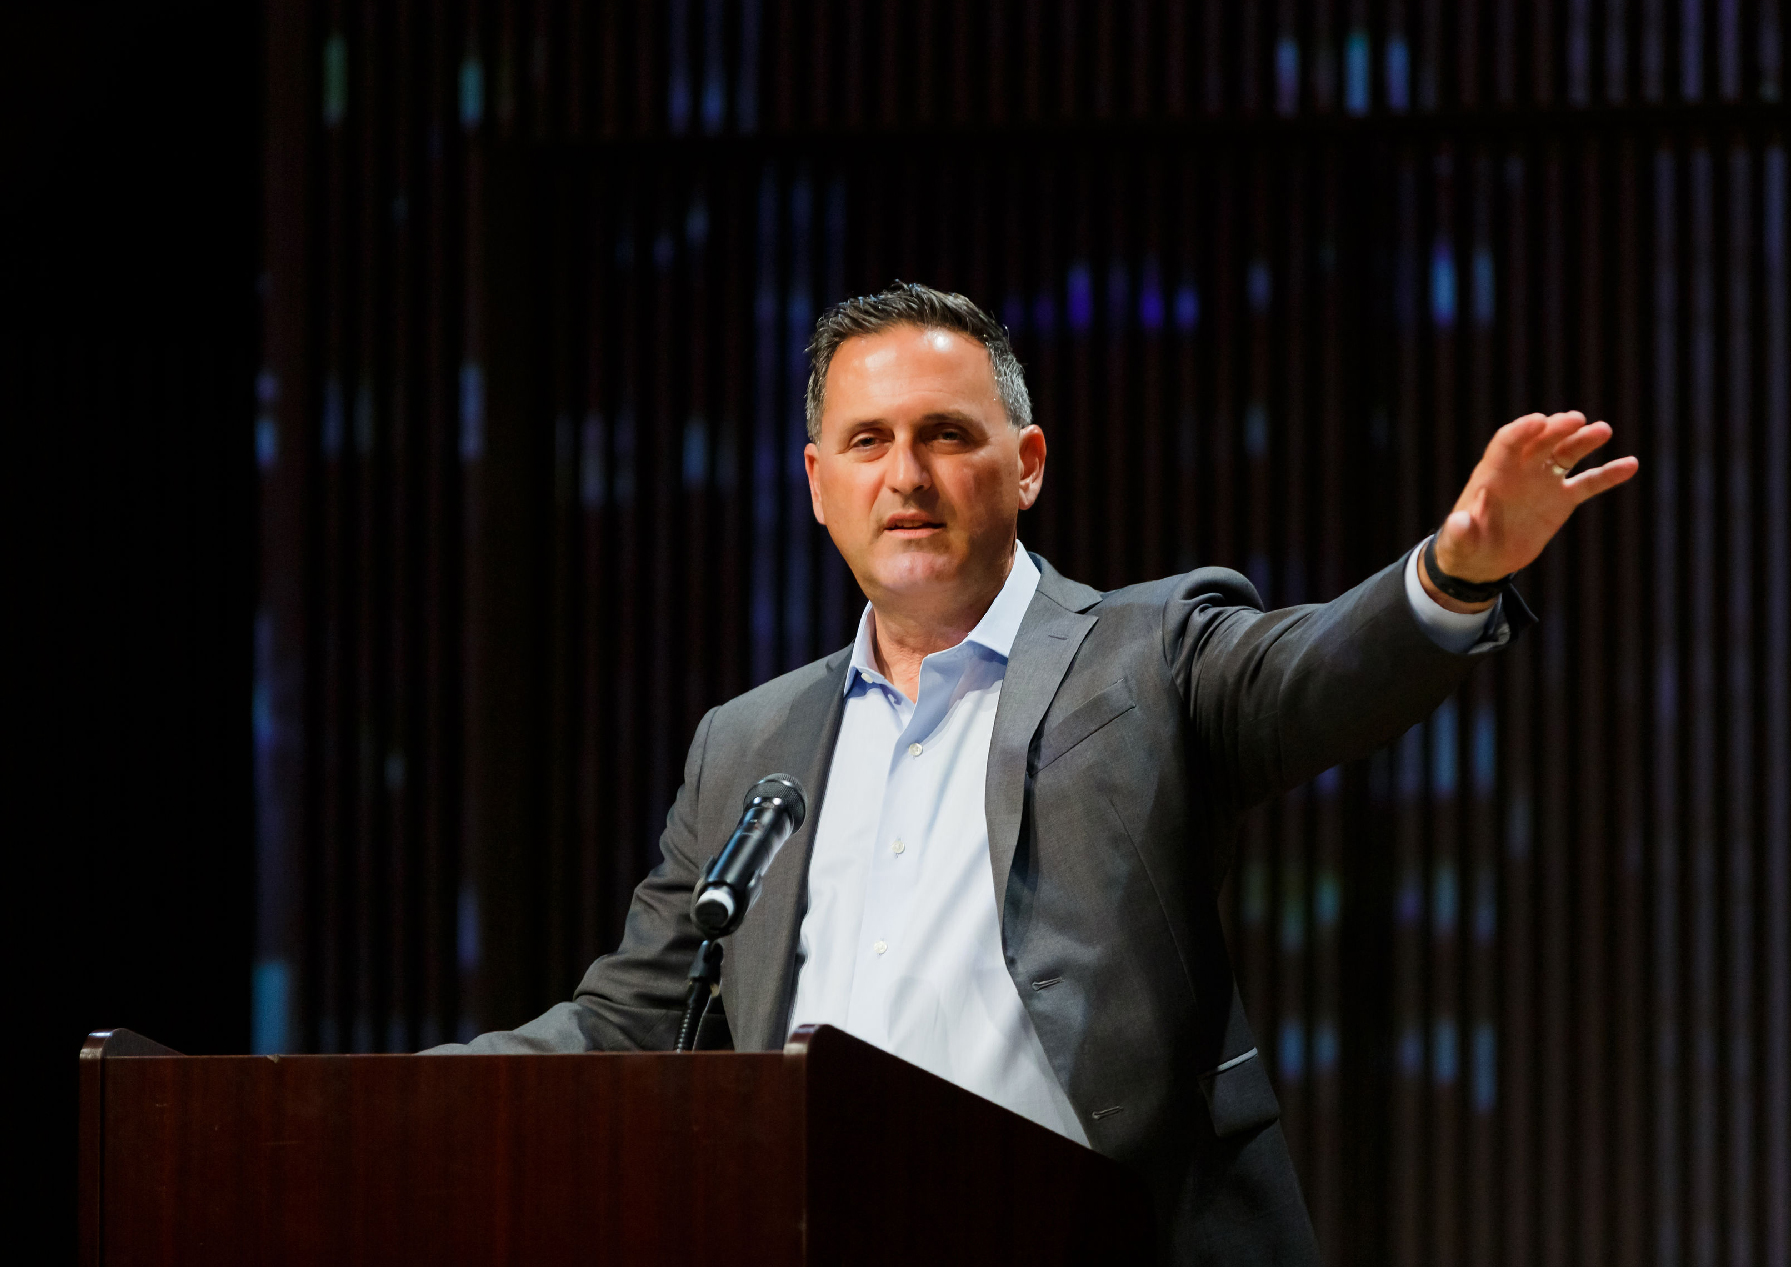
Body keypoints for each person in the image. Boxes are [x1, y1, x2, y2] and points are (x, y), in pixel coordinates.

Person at [429, 283, 1638, 1263]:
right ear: (816, 484)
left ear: (1027, 464)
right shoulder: (747, 743)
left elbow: (1310, 676)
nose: (905, 473)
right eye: (868, 441)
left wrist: (1450, 573)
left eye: (945, 435)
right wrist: (409, 1094)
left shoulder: (1144, 654)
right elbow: (637, 1017)